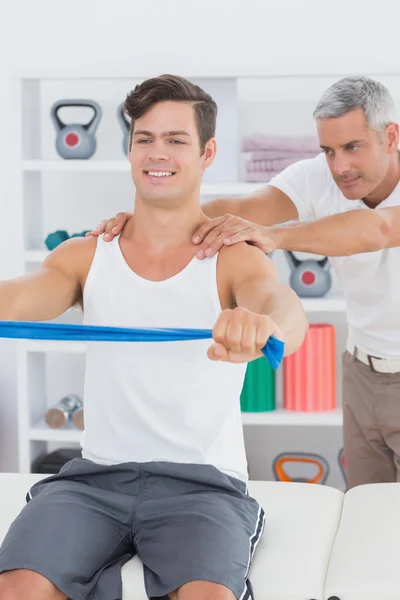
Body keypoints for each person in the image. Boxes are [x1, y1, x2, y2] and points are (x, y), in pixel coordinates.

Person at [0, 75, 307, 600]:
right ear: (129, 148)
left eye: (175, 140)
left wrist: (264, 326)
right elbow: (21, 296)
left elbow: (282, 307)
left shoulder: (234, 258)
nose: (156, 152)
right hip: (94, 482)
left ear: (207, 152)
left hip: (203, 488)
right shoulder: (86, 254)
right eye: (144, 138)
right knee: (19, 587)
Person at [94, 75, 400, 491]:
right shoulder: (320, 176)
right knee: (367, 507)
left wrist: (276, 235)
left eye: (352, 148)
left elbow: (378, 229)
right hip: (362, 372)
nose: (339, 166)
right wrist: (147, 221)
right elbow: (241, 208)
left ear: (391, 136)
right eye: (328, 150)